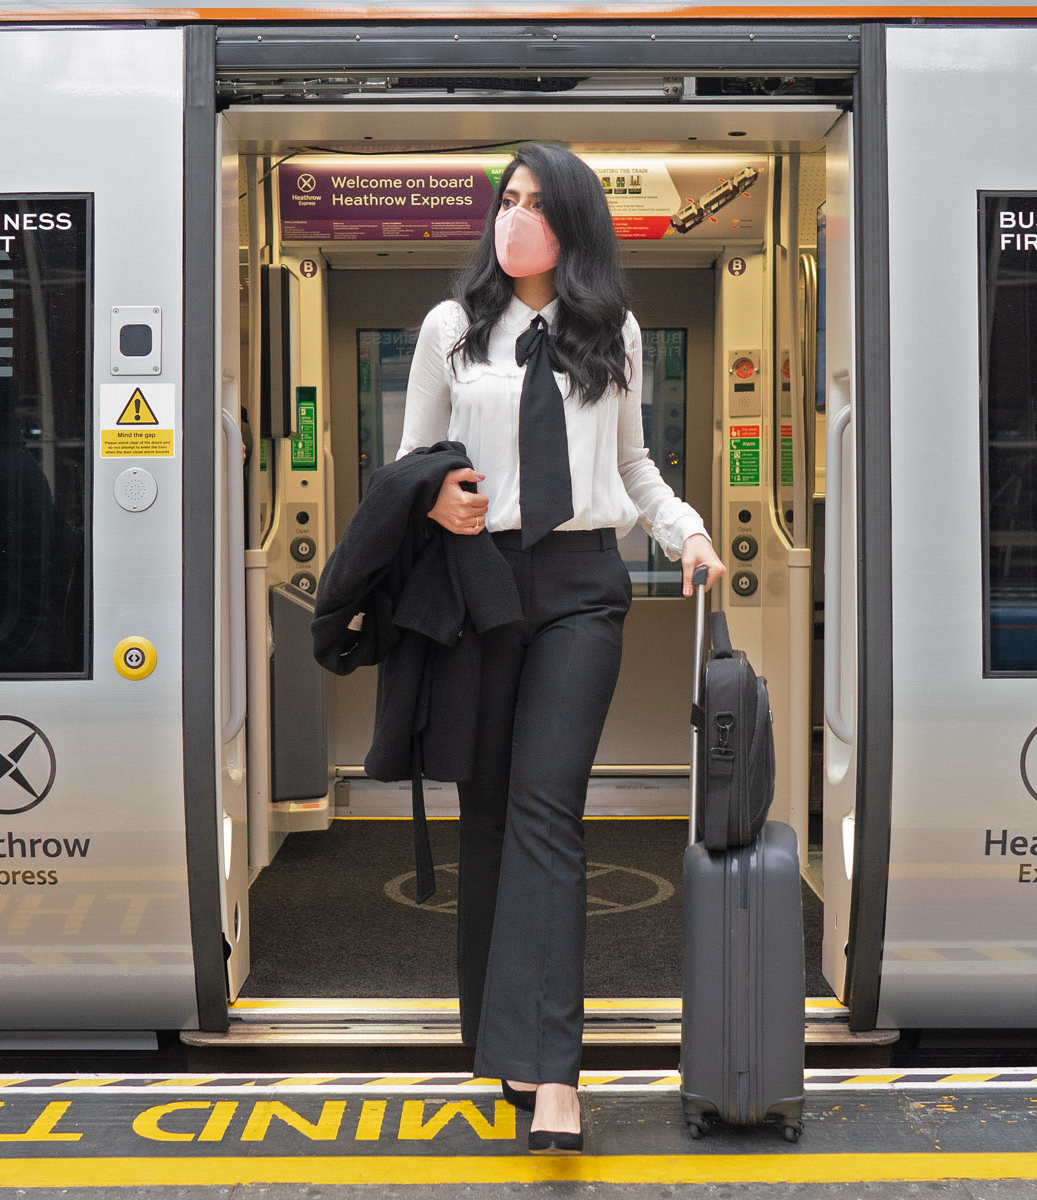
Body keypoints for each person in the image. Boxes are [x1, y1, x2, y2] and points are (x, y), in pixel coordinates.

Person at [396, 142, 725, 1154]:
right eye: (508, 198)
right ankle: (501, 1044)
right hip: (478, 587)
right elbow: (410, 461)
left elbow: (630, 466)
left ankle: (556, 1078)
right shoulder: (452, 329)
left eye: (537, 203)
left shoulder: (609, 330)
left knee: (547, 812)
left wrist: (689, 533)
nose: (515, 217)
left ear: (573, 224)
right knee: (488, 820)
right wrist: (437, 495)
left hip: (584, 587)